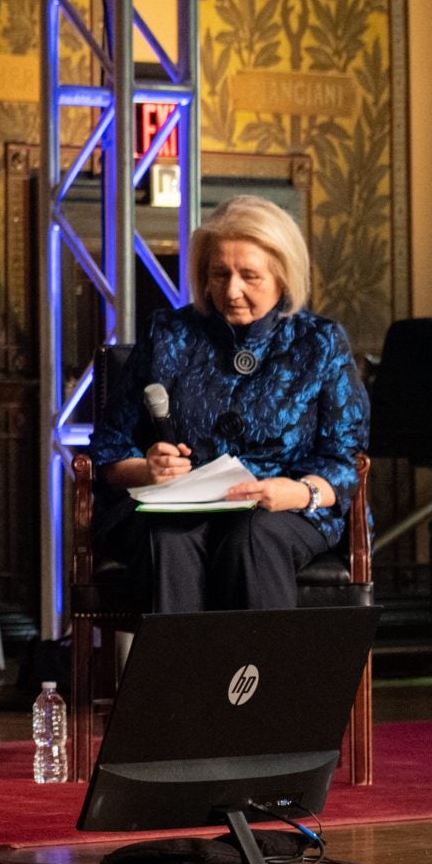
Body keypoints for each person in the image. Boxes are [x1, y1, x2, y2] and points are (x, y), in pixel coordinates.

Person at [90, 195, 368, 614]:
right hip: (178, 508)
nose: (231, 290)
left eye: (249, 276)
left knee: (253, 536)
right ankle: (183, 679)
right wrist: (147, 469)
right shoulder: (167, 334)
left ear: (283, 276)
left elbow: (344, 460)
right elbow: (109, 449)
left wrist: (297, 491)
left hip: (283, 507)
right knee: (169, 538)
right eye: (220, 274)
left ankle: (264, 679)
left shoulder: (321, 342)